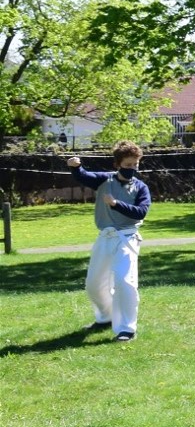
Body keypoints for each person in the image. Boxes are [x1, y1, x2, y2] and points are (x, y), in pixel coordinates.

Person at [67, 141, 151, 342]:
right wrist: (75, 166)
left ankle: (126, 329)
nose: (132, 169)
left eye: (135, 165)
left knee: (124, 281)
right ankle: (105, 317)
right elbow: (84, 176)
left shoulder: (141, 187)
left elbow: (141, 212)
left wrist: (116, 204)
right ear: (117, 164)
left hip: (127, 237)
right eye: (128, 164)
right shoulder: (105, 181)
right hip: (105, 236)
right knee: (93, 284)